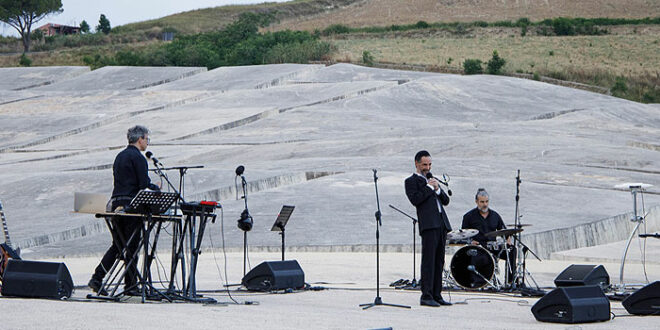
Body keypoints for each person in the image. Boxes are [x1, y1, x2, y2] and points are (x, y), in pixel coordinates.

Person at [88, 125, 160, 296]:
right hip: (131, 206)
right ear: (140, 139)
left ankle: (98, 277)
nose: (147, 143)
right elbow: (142, 185)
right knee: (132, 246)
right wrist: (155, 187)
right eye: (147, 139)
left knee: (119, 245)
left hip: (115, 205)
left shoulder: (120, 156)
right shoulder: (139, 158)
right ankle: (130, 285)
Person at [405, 150, 452, 307]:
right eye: (424, 164)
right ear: (417, 163)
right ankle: (426, 295)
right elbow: (416, 199)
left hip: (441, 224)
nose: (427, 167)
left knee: (439, 261)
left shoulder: (432, 180)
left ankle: (437, 294)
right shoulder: (411, 181)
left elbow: (445, 201)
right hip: (429, 225)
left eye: (430, 164)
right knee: (429, 261)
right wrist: (429, 188)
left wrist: (437, 188)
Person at [461, 188, 517, 286]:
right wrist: (470, 242)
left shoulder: (495, 216)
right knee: (476, 254)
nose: (485, 204)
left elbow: (504, 231)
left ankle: (510, 281)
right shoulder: (468, 216)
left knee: (512, 250)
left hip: (493, 247)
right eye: (482, 202)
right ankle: (478, 282)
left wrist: (508, 238)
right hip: (479, 247)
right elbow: (463, 234)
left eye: (486, 201)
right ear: (476, 202)